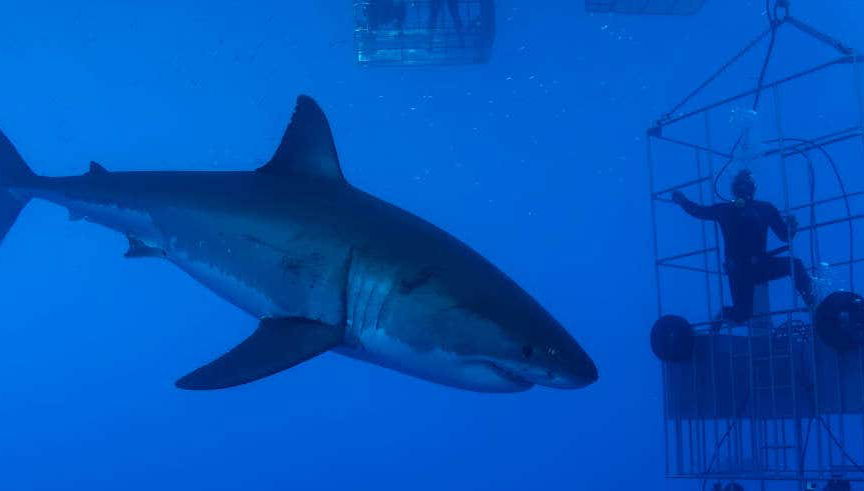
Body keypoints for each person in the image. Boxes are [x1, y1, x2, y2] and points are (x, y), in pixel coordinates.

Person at [672, 170, 815, 323]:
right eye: (741, 186)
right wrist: (792, 227)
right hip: (747, 268)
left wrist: (682, 200)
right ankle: (813, 304)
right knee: (743, 314)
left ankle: (813, 305)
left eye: (745, 186)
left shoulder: (730, 209)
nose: (743, 190)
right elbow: (785, 236)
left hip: (747, 268)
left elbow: (697, 211)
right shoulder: (757, 209)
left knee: (743, 313)